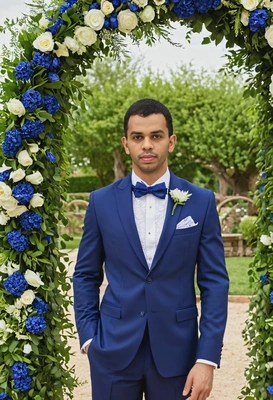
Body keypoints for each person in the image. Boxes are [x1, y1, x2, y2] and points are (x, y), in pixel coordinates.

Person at [73, 98, 229, 400]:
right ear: (125, 144)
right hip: (112, 352)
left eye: (156, 136)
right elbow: (85, 275)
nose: (147, 145)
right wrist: (90, 337)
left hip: (179, 355)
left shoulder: (201, 201)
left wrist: (206, 358)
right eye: (138, 137)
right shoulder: (100, 202)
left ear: (170, 142)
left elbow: (214, 283)